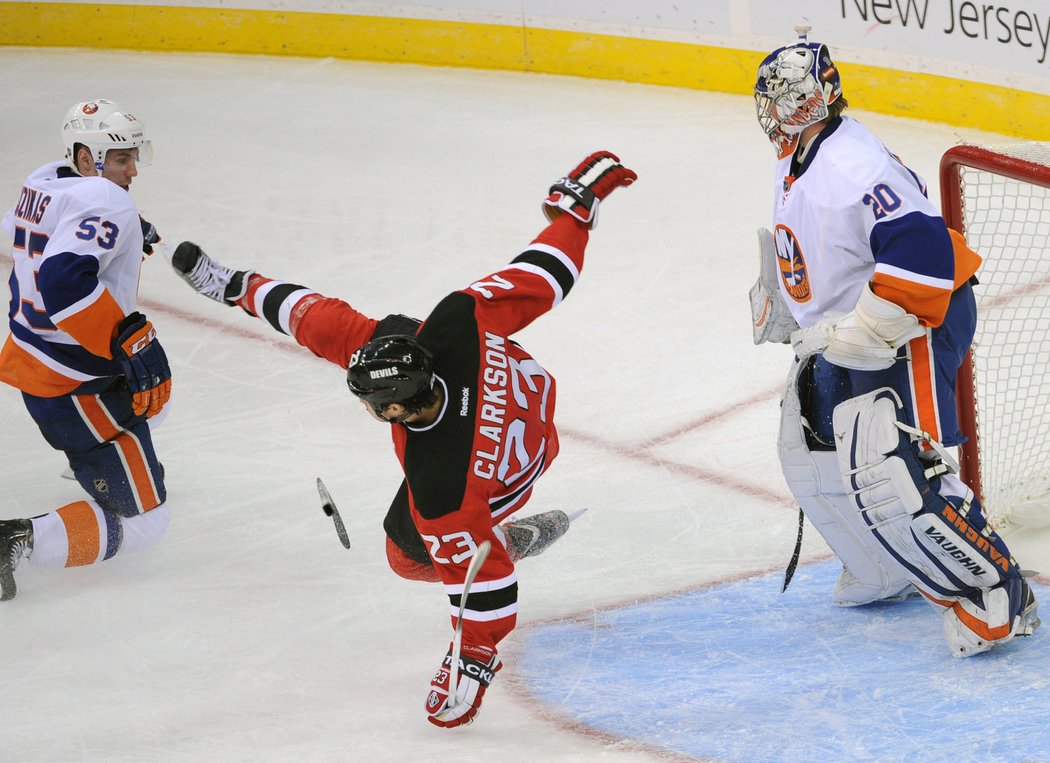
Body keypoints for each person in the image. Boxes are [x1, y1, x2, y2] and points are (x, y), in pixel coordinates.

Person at [169, 151, 636, 725]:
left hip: (507, 474)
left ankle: (518, 535)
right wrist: (575, 212)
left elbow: (486, 588)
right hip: (524, 403)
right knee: (350, 340)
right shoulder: (454, 323)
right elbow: (544, 274)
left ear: (392, 408)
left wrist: (472, 663)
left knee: (407, 555)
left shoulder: (440, 490)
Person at [749, 27, 1040, 657]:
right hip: (849, 323)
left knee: (896, 467)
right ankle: (884, 569)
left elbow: (926, 254)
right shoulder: (797, 152)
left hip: (909, 320)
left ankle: (995, 594)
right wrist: (782, 289)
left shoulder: (857, 163)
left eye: (782, 99)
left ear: (811, 100)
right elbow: (806, 231)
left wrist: (865, 329)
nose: (771, 113)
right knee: (809, 449)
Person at [0, 99, 172, 601]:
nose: (132, 169)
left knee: (156, 404)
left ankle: (94, 463)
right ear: (87, 157)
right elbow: (63, 283)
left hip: (33, 359)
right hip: (79, 383)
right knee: (146, 526)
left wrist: (122, 231)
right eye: (120, 159)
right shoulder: (106, 198)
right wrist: (125, 343)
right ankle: (16, 542)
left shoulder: (45, 179)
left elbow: (28, 236)